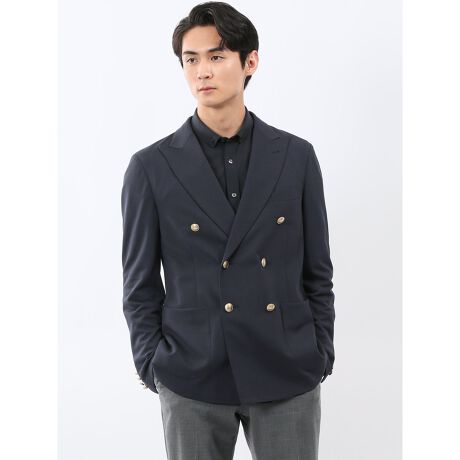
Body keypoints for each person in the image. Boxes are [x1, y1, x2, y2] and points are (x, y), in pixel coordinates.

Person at [121, 2, 335, 459]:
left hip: (286, 368)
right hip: (192, 374)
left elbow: (318, 270)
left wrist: (320, 351)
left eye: (216, 57)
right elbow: (139, 285)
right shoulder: (151, 168)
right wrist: (154, 365)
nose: (202, 71)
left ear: (249, 61)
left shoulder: (296, 157)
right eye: (191, 59)